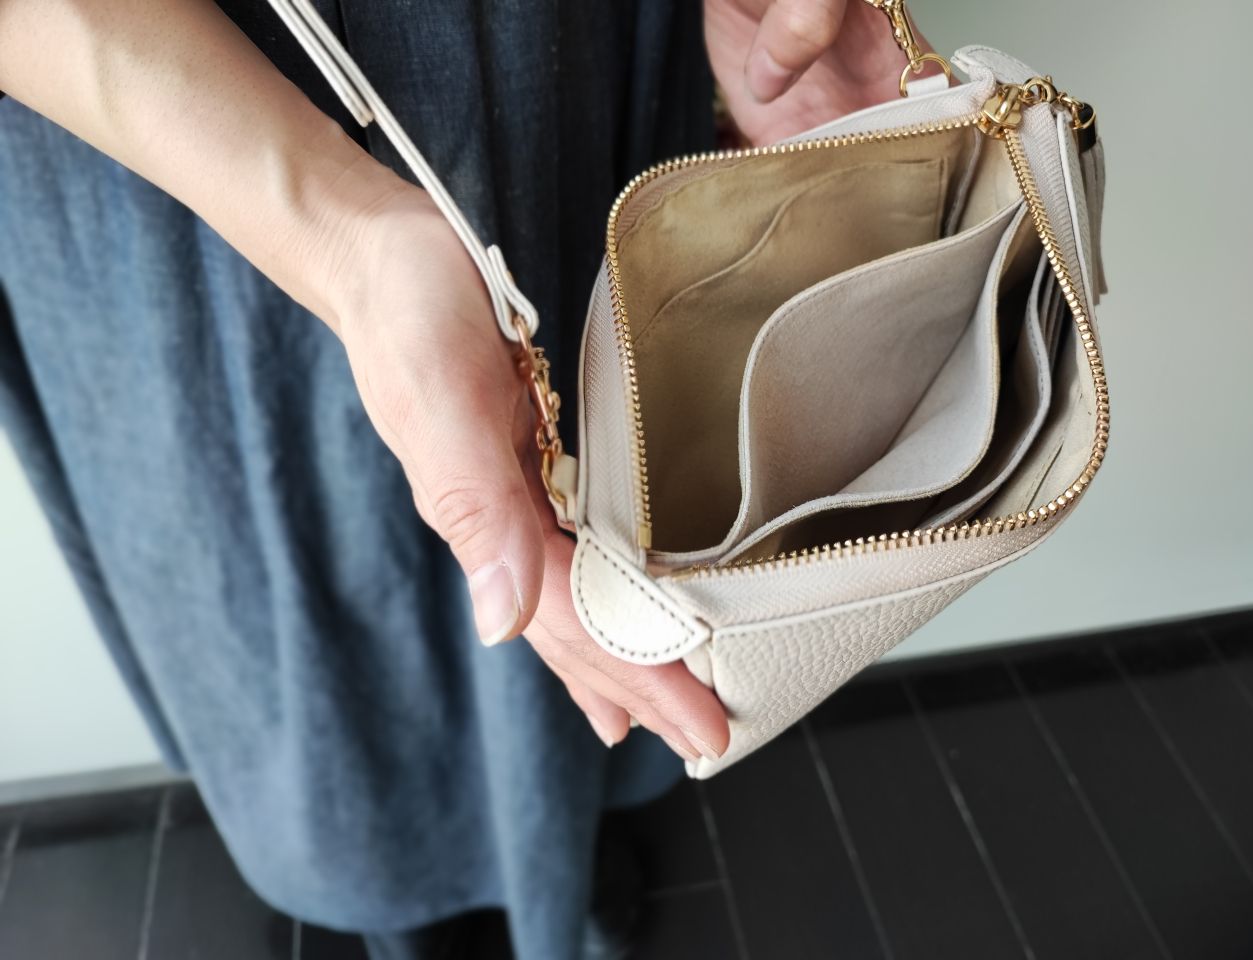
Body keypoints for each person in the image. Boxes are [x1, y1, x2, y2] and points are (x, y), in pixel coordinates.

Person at [0, 1, 933, 956]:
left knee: (611, 534)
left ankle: (560, 856)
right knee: (343, 629)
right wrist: (341, 233)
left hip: (570, 57)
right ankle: (407, 908)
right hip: (180, 122)